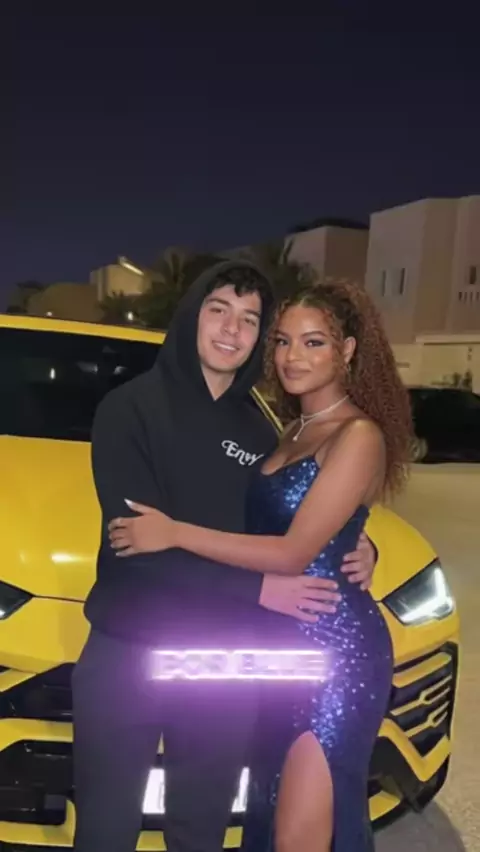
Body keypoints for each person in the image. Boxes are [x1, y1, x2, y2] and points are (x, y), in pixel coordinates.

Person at [73, 261, 375, 852]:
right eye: (219, 310)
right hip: (127, 650)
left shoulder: (262, 433)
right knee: (106, 830)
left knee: (202, 831)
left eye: (250, 319)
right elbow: (138, 548)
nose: (232, 330)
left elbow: (286, 518)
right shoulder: (129, 408)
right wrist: (258, 591)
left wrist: (357, 545)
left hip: (222, 660)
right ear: (193, 315)